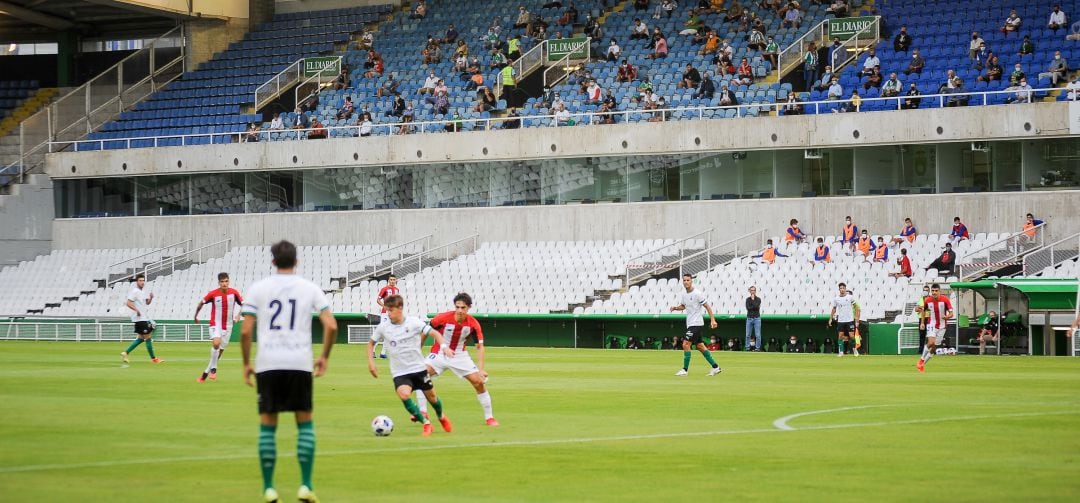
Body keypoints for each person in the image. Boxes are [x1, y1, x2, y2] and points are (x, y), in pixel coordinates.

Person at [240, 240, 337, 503]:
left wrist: (246, 363)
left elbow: (246, 331)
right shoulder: (309, 288)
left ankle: (269, 488)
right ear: (297, 261)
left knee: (267, 427)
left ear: (273, 262)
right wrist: (324, 357)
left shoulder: (258, 288)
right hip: (299, 363)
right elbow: (331, 325)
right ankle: (305, 485)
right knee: (304, 424)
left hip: (268, 364)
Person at [367, 294, 453, 437]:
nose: (388, 313)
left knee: (432, 398)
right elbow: (371, 344)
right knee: (404, 394)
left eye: (391, 310)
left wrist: (444, 347)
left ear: (400, 308)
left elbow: (435, 334)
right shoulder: (383, 327)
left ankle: (441, 416)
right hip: (400, 372)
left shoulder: (414, 322)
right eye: (387, 310)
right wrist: (371, 363)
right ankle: (426, 423)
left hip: (419, 368)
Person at [413, 292, 499, 426]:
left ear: (468, 308)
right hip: (439, 353)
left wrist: (481, 369)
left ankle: (490, 418)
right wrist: (418, 350)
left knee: (478, 382)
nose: (459, 310)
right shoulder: (442, 318)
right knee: (421, 375)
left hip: (460, 356)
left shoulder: (473, 324)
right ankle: (422, 412)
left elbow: (479, 347)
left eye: (463, 307)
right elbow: (426, 331)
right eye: (457, 307)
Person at [193, 272, 243, 383]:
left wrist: (238, 315)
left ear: (229, 281)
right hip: (215, 323)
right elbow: (201, 303)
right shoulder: (213, 294)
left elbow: (244, 304)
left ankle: (205, 374)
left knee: (219, 352)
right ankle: (214, 369)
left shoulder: (234, 293)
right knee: (216, 343)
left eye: (226, 281)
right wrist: (195, 316)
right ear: (219, 283)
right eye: (222, 282)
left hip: (228, 326)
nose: (224, 284)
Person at [670, 273, 722, 376]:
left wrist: (713, 320)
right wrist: (675, 308)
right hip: (690, 324)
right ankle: (716, 367)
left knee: (685, 344)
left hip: (696, 323)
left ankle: (685, 370)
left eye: (688, 280)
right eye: (684, 280)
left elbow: (707, 306)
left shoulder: (697, 293)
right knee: (700, 346)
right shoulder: (684, 295)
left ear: (691, 281)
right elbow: (683, 306)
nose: (686, 282)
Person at [120, 273, 163, 364]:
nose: (142, 282)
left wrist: (151, 298)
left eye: (143, 280)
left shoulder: (143, 292)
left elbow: (147, 303)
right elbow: (128, 303)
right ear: (137, 282)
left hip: (143, 318)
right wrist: (136, 310)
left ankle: (125, 352)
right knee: (148, 338)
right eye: (140, 280)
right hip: (140, 318)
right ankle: (154, 359)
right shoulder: (135, 291)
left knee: (140, 338)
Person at [915, 283, 952, 372]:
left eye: (936, 291)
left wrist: (947, 317)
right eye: (933, 291)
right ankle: (921, 359)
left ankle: (922, 365)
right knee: (931, 342)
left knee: (934, 347)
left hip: (942, 326)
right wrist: (922, 323)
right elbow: (923, 311)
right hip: (931, 324)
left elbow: (951, 313)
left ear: (939, 291)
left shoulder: (945, 300)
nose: (934, 292)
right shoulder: (928, 300)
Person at [828, 282, 860, 357]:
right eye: (841, 288)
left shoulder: (850, 297)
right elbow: (834, 309)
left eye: (843, 288)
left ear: (845, 289)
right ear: (839, 289)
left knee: (851, 336)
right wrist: (830, 318)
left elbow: (856, 307)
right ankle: (841, 352)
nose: (842, 289)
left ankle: (855, 349)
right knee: (840, 336)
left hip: (850, 320)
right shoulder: (836, 299)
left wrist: (856, 318)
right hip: (841, 320)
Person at [373, 275, 400, 358]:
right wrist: (384, 306)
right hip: (385, 313)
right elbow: (378, 300)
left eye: (394, 280)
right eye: (391, 279)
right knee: (382, 331)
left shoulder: (397, 290)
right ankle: (372, 351)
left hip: (393, 313)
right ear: (388, 280)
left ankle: (383, 353)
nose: (392, 281)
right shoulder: (384, 289)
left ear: (396, 281)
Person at [914, 284, 930, 355]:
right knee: (922, 335)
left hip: (929, 319)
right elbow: (916, 309)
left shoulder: (931, 299)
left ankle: (930, 350)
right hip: (921, 319)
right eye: (924, 290)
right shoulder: (920, 299)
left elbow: (930, 308)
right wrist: (923, 308)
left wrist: (922, 308)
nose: (925, 291)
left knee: (930, 335)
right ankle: (921, 351)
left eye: (926, 290)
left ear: (929, 291)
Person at [745, 286, 762, 351]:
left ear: (755, 291)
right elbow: (748, 308)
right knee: (748, 335)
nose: (753, 291)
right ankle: (747, 347)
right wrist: (754, 306)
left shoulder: (758, 299)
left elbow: (757, 307)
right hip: (749, 318)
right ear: (750, 291)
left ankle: (757, 348)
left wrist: (752, 300)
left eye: (754, 290)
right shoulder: (747, 299)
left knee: (758, 335)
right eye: (751, 290)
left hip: (757, 318)